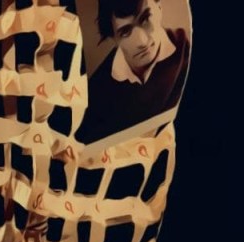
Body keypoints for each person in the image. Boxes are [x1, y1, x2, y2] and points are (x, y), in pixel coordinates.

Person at [77, 0, 190, 144]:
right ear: (113, 39)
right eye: (125, 32)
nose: (141, 41)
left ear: (159, 7)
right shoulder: (96, 91)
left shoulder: (188, 51)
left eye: (145, 19)